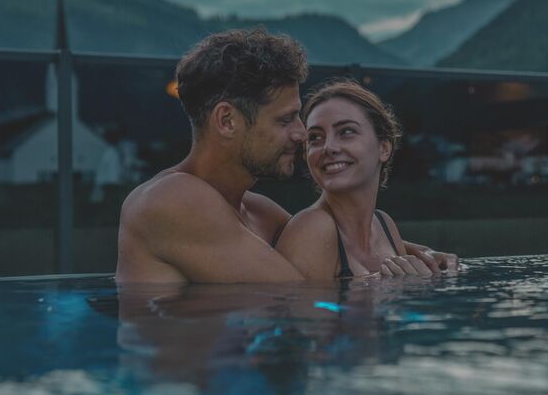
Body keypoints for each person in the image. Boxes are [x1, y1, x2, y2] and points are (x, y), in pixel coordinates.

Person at [116, 29, 455, 284]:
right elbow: (297, 296)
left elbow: (345, 235)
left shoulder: (256, 211)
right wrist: (400, 284)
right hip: (175, 380)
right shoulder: (171, 199)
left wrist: (417, 254)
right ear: (227, 120)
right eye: (284, 119)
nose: (300, 133)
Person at [276, 79, 457, 280]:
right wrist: (377, 289)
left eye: (346, 132)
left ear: (384, 148)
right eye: (315, 138)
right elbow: (303, 310)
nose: (328, 147)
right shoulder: (312, 228)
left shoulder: (383, 225)